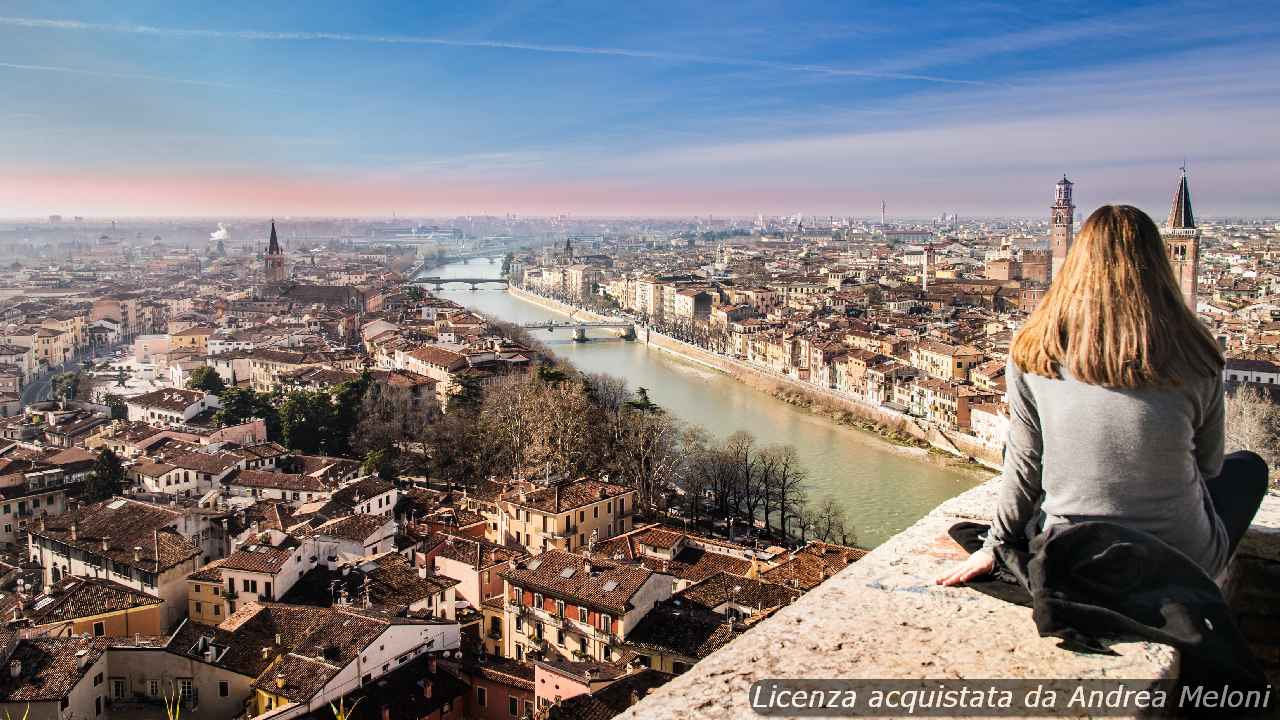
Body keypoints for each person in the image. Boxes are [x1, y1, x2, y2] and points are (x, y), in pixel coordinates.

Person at [937, 204, 1268, 586]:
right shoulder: (1198, 352)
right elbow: (1209, 467)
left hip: (1071, 554)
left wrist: (995, 545)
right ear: (1158, 263)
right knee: (1248, 468)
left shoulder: (1034, 350)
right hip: (1181, 561)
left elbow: (1025, 463)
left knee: (1020, 446)